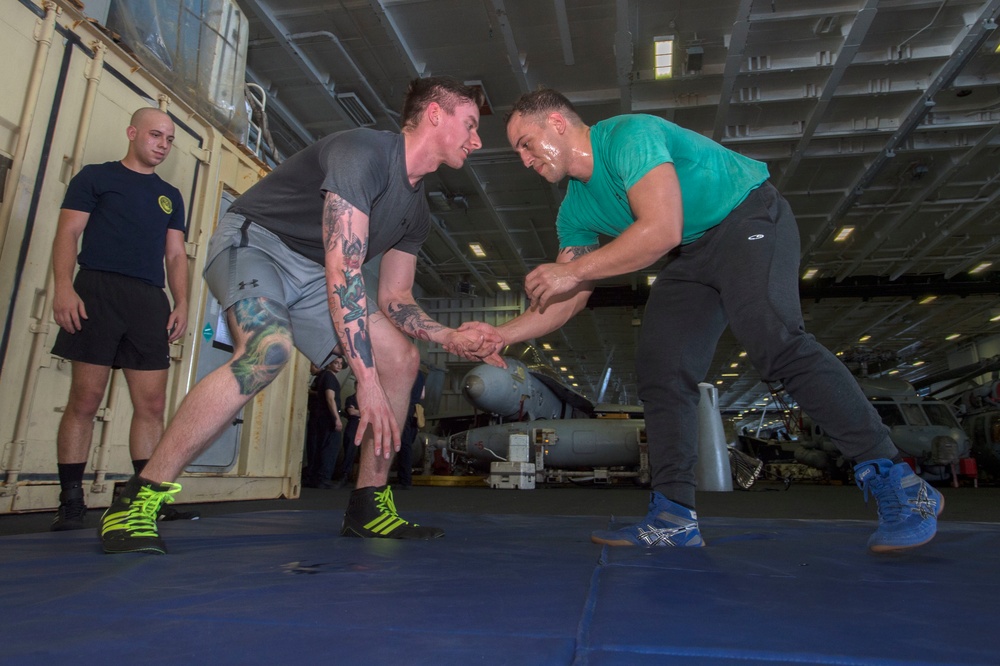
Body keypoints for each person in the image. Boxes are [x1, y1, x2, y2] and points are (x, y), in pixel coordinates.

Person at [461, 89, 943, 553]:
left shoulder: (629, 135)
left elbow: (660, 228)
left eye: (525, 144)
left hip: (748, 217)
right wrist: (501, 335)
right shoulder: (576, 208)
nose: (524, 160)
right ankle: (674, 517)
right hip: (692, 254)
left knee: (773, 340)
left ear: (558, 123)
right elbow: (568, 298)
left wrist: (570, 271)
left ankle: (899, 479)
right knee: (661, 369)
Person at [98, 76, 498, 554]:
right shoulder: (364, 152)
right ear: (435, 114)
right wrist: (364, 380)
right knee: (268, 350)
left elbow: (395, 297)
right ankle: (139, 498)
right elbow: (345, 270)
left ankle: (369, 505)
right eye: (470, 125)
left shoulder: (416, 210)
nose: (477, 140)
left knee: (403, 360)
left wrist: (448, 337)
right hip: (257, 242)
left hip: (313, 273)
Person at [49, 107, 198, 531]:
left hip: (148, 301)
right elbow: (68, 234)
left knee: (150, 405)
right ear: (133, 133)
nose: (163, 145)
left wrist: (182, 302)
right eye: (155, 135)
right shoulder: (96, 177)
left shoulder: (171, 195)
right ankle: (72, 502)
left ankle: (147, 500)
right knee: (85, 400)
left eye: (169, 139)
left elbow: (174, 254)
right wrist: (64, 287)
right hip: (97, 290)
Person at [302, 356, 345, 488]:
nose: (338, 366)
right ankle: (323, 479)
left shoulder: (323, 377)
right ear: (329, 364)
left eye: (340, 364)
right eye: (335, 363)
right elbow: (330, 398)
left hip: (320, 418)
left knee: (318, 448)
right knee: (329, 448)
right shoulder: (329, 377)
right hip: (328, 419)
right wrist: (337, 419)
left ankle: (316, 478)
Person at [396, 372, 426, 488]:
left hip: (404, 408)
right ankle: (405, 478)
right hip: (415, 411)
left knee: (403, 445)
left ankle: (404, 480)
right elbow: (422, 395)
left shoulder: (402, 371)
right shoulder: (420, 375)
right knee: (408, 444)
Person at [333, 389, 361, 487]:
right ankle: (345, 475)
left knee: (365, 454)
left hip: (366, 427)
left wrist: (358, 411)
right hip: (353, 426)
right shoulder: (351, 398)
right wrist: (365, 412)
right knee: (349, 451)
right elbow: (351, 412)